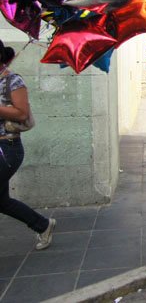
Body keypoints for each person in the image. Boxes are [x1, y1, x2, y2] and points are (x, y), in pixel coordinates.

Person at [0, 40, 56, 250]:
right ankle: (42, 225)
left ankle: (42, 225)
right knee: (2, 202)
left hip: (7, 148)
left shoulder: (13, 81)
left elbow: (21, 113)